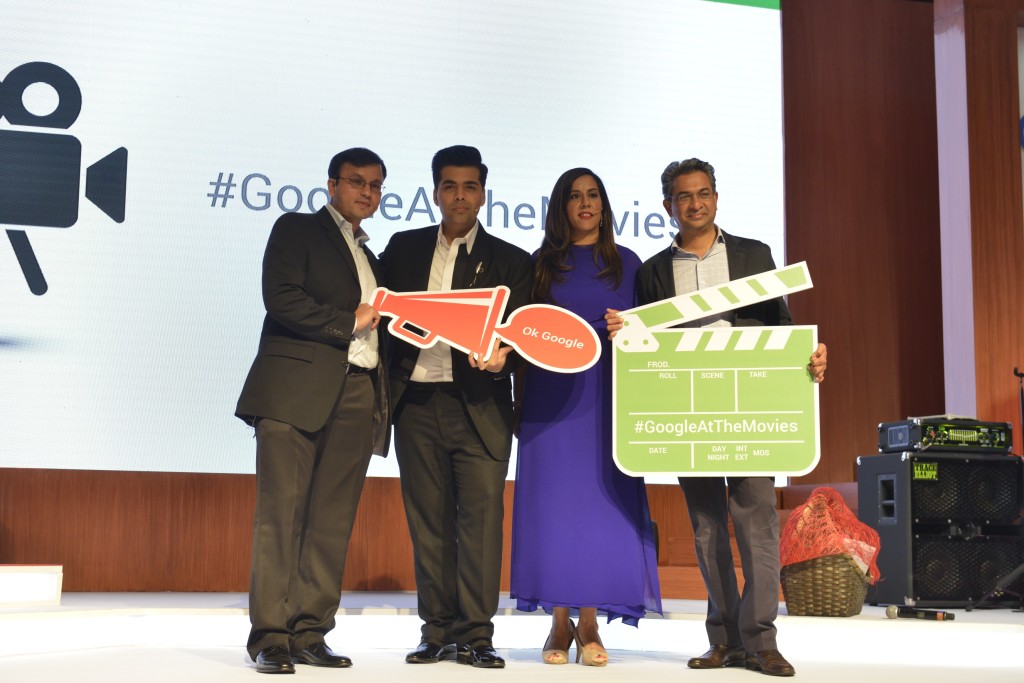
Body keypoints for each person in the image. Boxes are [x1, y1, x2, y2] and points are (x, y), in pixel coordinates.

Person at [634, 158, 827, 678]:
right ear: (667, 205)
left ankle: (762, 641)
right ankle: (724, 639)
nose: (694, 204)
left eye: (703, 194)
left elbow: (783, 328)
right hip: (687, 413)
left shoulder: (753, 255)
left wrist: (810, 357)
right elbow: (642, 351)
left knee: (758, 524)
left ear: (716, 197)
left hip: (751, 410)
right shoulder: (652, 271)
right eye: (683, 196)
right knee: (706, 530)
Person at [235, 147, 390, 674]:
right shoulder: (297, 229)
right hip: (293, 391)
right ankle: (271, 637)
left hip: (357, 394)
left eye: (374, 185)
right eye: (356, 182)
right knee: (280, 517)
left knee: (331, 522)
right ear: (332, 184)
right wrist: (347, 320)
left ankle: (310, 632)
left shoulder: (373, 259)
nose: (365, 192)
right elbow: (280, 298)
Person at [380, 145, 532, 669]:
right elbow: (379, 315)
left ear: (482, 194)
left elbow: (525, 339)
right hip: (417, 404)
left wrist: (504, 360)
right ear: (436, 191)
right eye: (450, 186)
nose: (460, 196)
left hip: (481, 406)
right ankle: (436, 631)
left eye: (470, 187)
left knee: (482, 524)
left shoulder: (513, 259)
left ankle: (476, 634)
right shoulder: (402, 248)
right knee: (429, 523)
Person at [510, 168, 662, 667]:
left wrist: (631, 328)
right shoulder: (540, 265)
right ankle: (558, 624)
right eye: (575, 196)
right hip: (550, 401)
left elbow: (652, 335)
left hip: (608, 397)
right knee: (554, 509)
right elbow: (524, 333)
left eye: (593, 194)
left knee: (600, 509)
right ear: (561, 206)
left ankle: (591, 624)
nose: (585, 203)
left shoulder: (628, 264)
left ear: (604, 204)